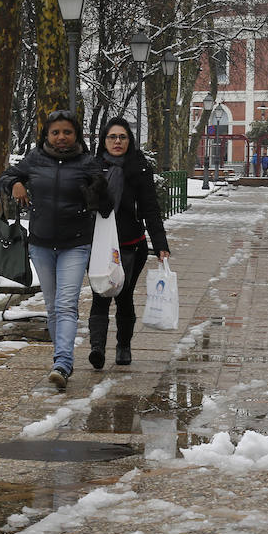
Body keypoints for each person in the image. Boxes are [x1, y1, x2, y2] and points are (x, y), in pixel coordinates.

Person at [0, 110, 111, 390]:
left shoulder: (88, 162)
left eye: (67, 132)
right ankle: (61, 358)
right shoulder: (34, 160)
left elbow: (105, 201)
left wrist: (95, 190)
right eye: (55, 132)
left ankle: (62, 363)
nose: (61, 137)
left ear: (77, 135)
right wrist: (15, 184)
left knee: (66, 304)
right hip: (41, 244)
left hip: (75, 243)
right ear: (46, 135)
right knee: (52, 305)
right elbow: (6, 176)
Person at [88, 117, 170, 368]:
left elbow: (150, 208)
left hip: (130, 244)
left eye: (122, 137)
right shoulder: (93, 167)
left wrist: (161, 244)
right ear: (104, 140)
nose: (117, 141)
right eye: (112, 137)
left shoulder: (140, 168)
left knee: (123, 296)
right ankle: (97, 349)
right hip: (100, 245)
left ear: (129, 141)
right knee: (100, 294)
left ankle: (123, 345)